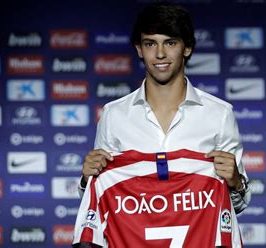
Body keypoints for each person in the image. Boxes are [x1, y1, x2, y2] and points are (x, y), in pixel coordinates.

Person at [74, 2, 250, 247]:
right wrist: (87, 179)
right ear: (139, 49)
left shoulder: (219, 114)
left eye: (170, 42)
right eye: (150, 43)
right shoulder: (113, 115)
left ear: (187, 47)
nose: (159, 54)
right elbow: (101, 201)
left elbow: (235, 208)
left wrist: (235, 181)